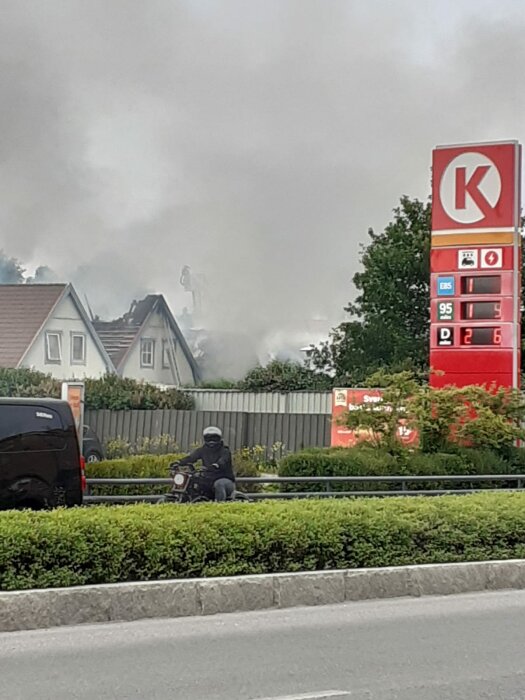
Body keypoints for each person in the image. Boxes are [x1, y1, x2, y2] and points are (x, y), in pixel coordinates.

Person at [175, 427, 235, 502]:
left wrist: (216, 465)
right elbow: (191, 458)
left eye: (214, 438)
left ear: (219, 438)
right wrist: (178, 462)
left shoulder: (225, 451)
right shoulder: (202, 450)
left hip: (224, 478)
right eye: (209, 438)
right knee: (194, 480)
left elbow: (223, 461)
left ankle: (220, 505)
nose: (211, 441)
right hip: (208, 477)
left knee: (219, 484)